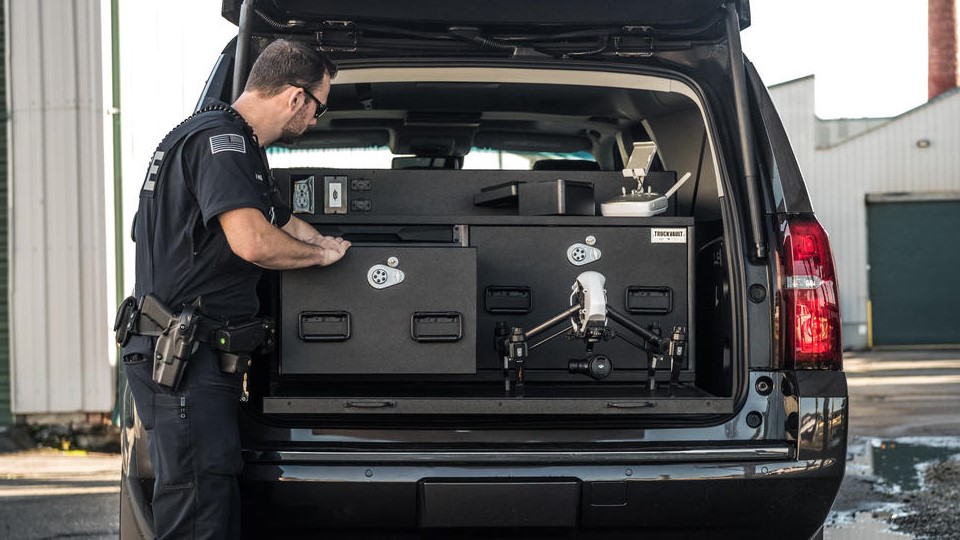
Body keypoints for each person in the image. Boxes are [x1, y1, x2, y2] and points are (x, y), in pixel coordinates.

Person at [120, 39, 349, 539]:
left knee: (203, 498)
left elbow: (277, 219)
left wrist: (323, 239)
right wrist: (319, 258)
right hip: (186, 358)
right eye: (319, 107)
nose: (315, 121)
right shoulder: (225, 142)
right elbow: (253, 242)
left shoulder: (213, 139)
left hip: (182, 353)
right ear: (294, 97)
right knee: (200, 512)